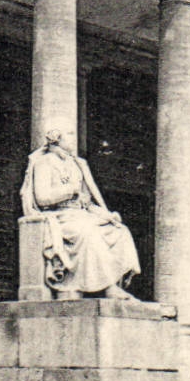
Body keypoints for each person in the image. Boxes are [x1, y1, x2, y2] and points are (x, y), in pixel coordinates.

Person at [20, 122, 140, 298]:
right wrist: (70, 191)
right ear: (56, 138)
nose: (73, 138)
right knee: (88, 232)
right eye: (69, 134)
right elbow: (42, 198)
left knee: (119, 230)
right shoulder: (44, 163)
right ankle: (106, 288)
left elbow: (87, 202)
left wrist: (106, 215)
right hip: (59, 216)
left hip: (81, 214)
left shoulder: (77, 164)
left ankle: (112, 284)